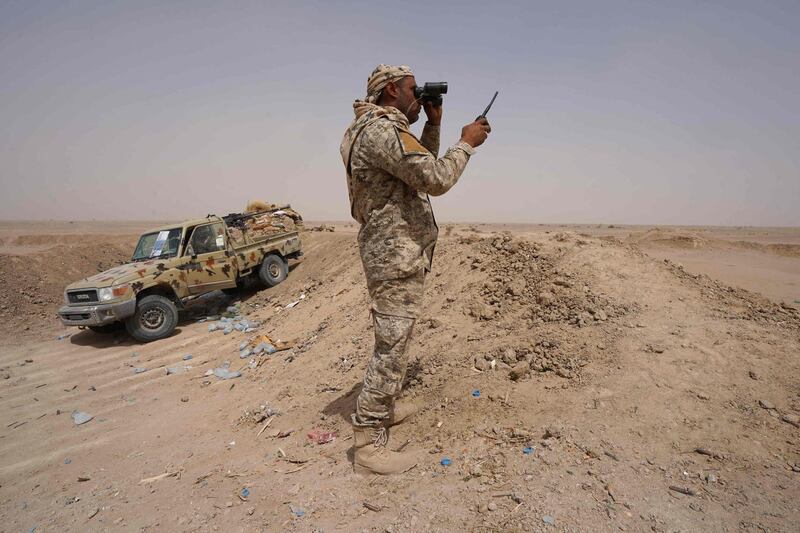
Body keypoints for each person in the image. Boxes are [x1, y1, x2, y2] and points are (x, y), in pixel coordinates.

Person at [340, 64, 491, 474]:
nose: (417, 96)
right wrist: (466, 142)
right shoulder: (380, 131)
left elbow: (414, 170)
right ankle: (368, 445)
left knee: (396, 341)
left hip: (393, 252)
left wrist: (432, 125)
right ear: (391, 89)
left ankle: (381, 410)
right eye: (411, 89)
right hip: (394, 254)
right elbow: (435, 178)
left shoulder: (367, 129)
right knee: (391, 346)